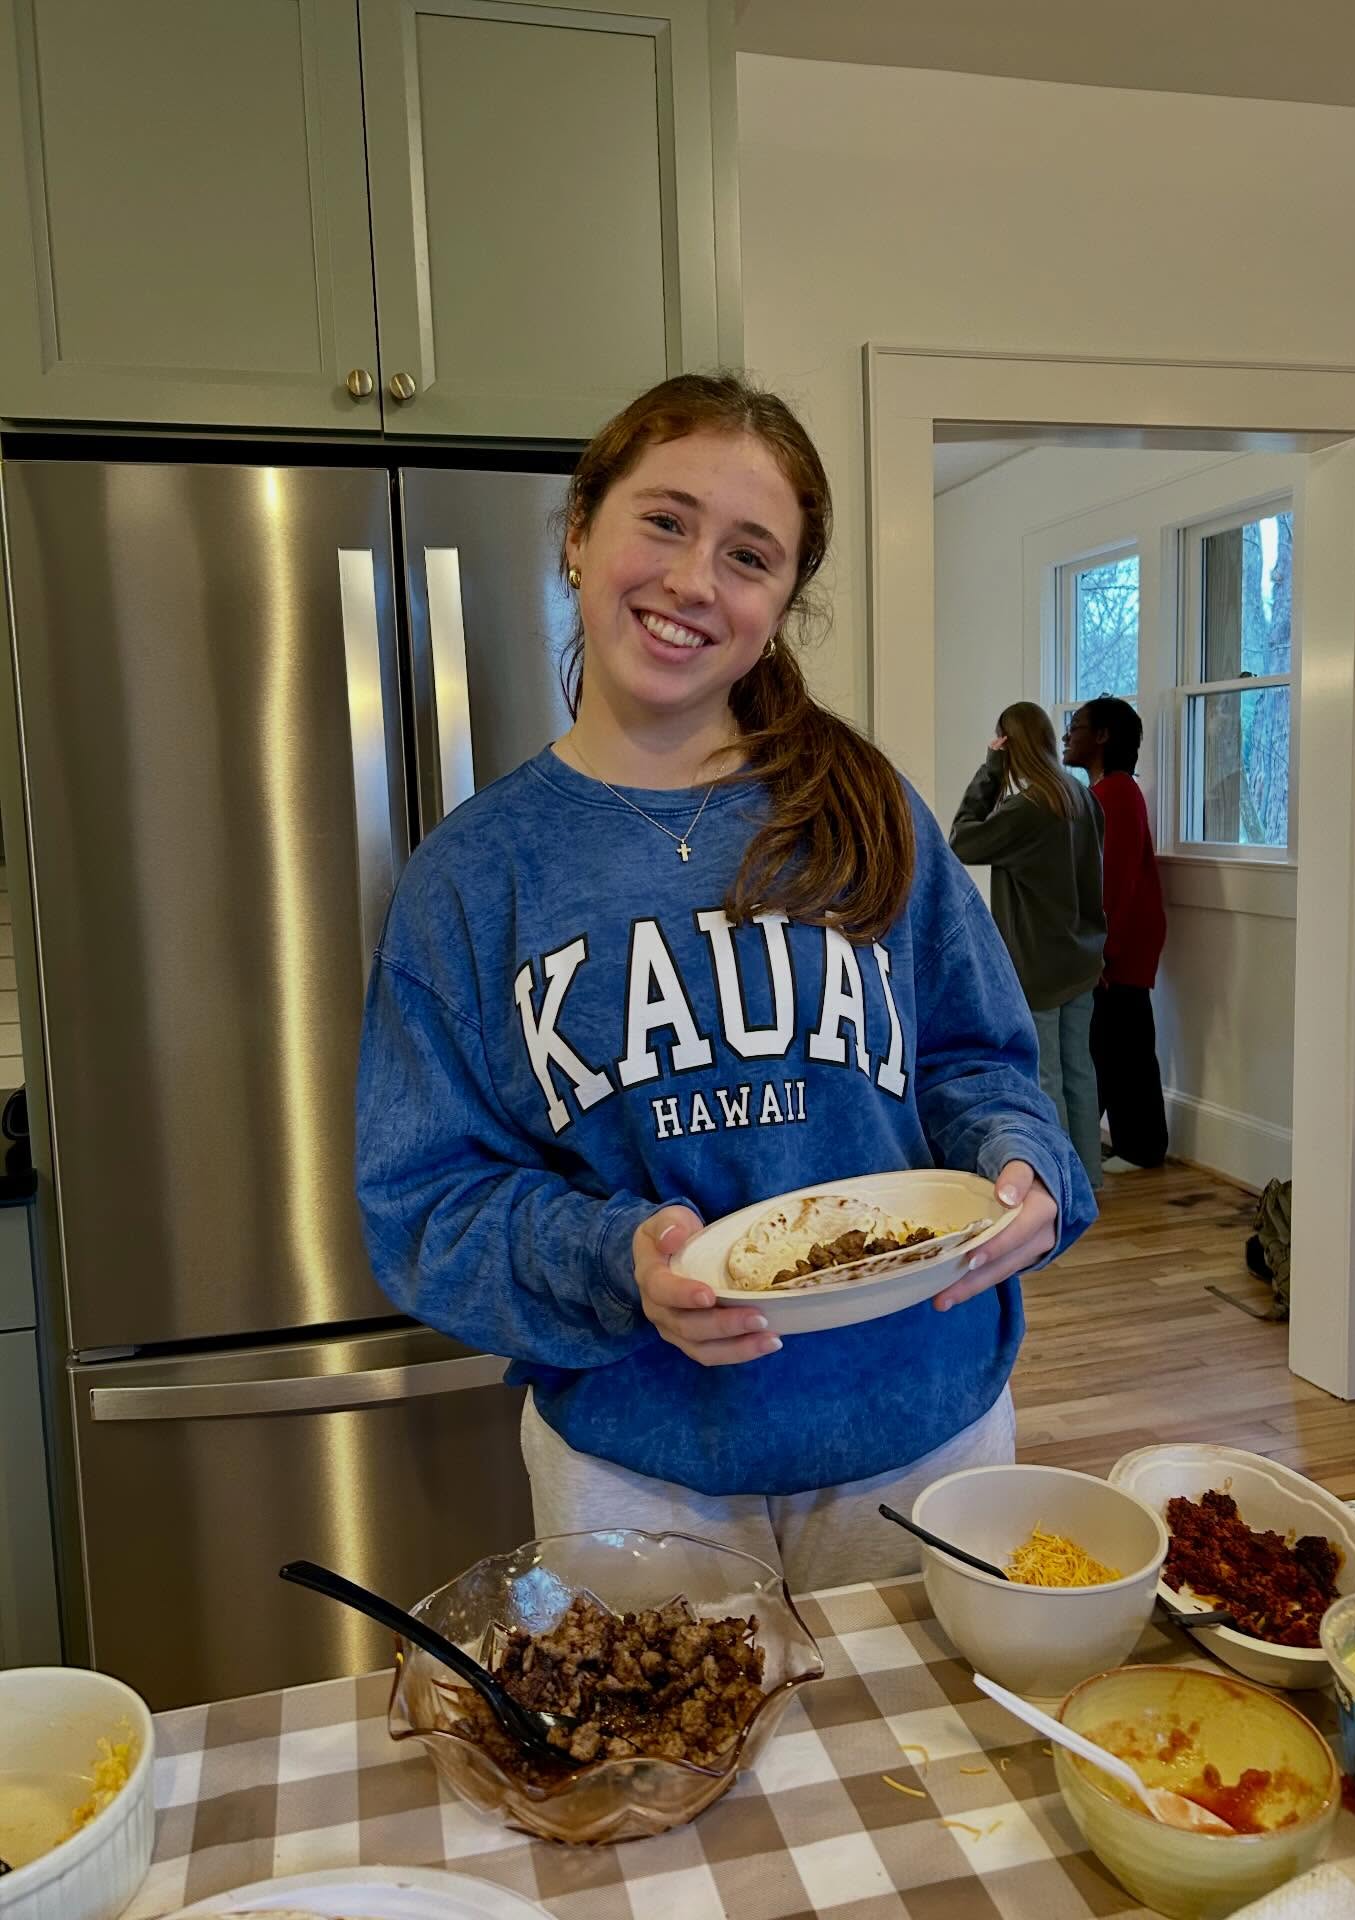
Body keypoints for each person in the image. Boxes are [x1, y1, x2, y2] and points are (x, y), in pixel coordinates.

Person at [355, 373, 1095, 1592]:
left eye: (749, 555)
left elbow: (979, 1062)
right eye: (664, 521)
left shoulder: (870, 814)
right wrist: (617, 1260)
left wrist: (1020, 1164)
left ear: (781, 604)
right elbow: (425, 1205)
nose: (696, 580)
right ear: (579, 532)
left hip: (924, 1436)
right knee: (660, 1782)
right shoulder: (475, 877)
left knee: (922, 1781)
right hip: (637, 1471)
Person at [948, 705, 1106, 1193]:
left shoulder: (1031, 808)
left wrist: (990, 771)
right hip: (1081, 958)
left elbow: (962, 840)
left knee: (1047, 1077)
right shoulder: (1081, 798)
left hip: (1037, 964)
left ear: (1009, 744)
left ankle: (1060, 1183)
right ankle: (1088, 1178)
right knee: (1079, 1070)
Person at [1063, 697, 1169, 1172]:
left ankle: (1141, 1147)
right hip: (1111, 946)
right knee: (1114, 1042)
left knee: (1122, 1044)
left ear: (1102, 736)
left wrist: (1100, 952)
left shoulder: (1118, 795)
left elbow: (1116, 881)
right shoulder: (1106, 794)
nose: (1068, 734)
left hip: (1118, 948)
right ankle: (1126, 1141)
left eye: (1077, 726)